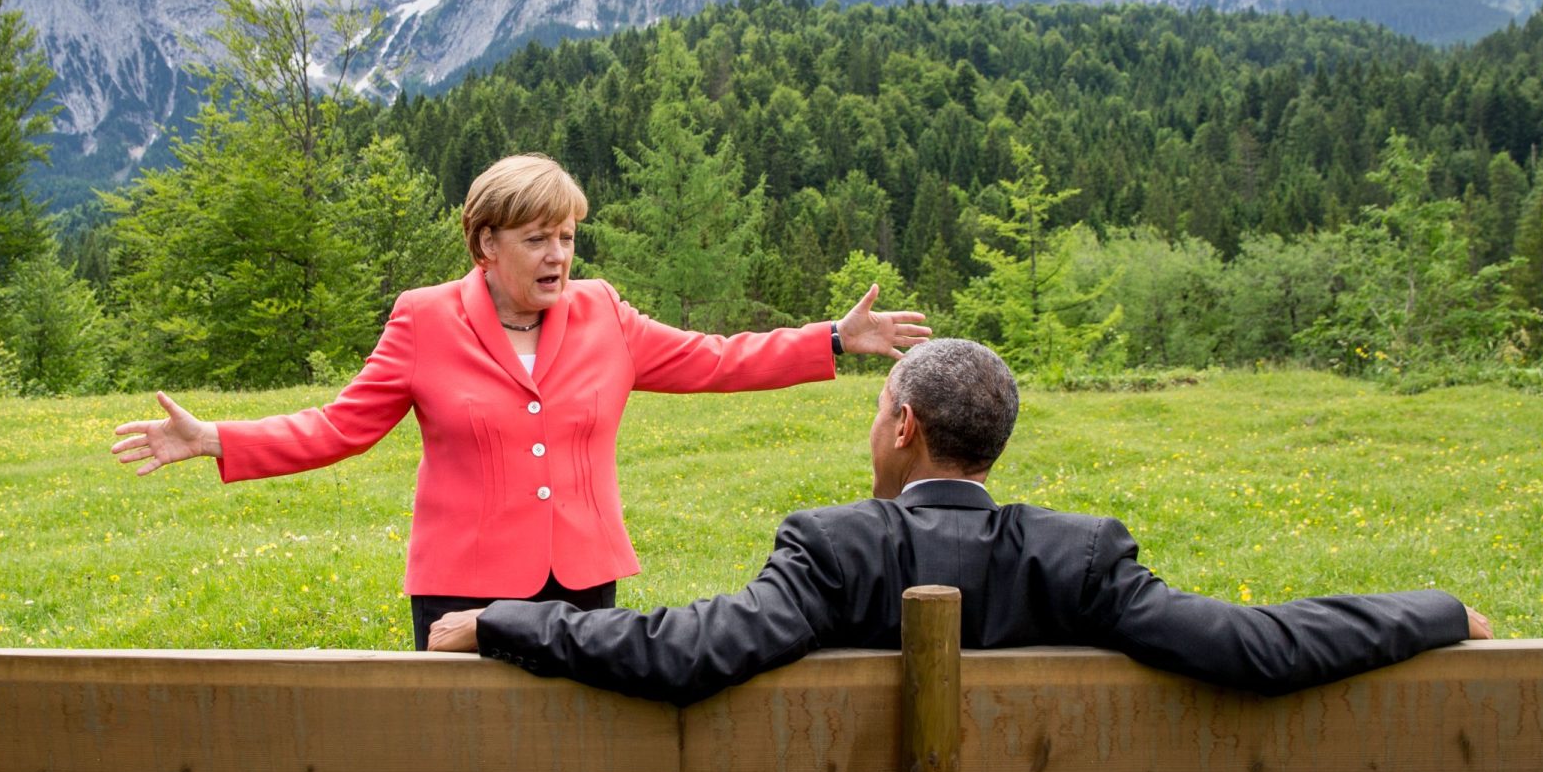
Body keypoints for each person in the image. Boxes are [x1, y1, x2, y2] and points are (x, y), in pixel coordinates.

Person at [110, 153, 931, 653]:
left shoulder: (605, 312)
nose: (559, 255)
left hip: (582, 581)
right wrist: (217, 438)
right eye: (538, 237)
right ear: (486, 243)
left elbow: (713, 359)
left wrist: (828, 338)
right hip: (462, 585)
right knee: (465, 764)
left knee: (575, 756)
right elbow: (339, 425)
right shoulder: (423, 319)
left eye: (568, 236)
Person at [427, 337, 1491, 704]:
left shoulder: (831, 547)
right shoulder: (1083, 556)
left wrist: (506, 619)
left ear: (901, 425)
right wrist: (1437, 610)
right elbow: (1259, 645)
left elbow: (685, 651)